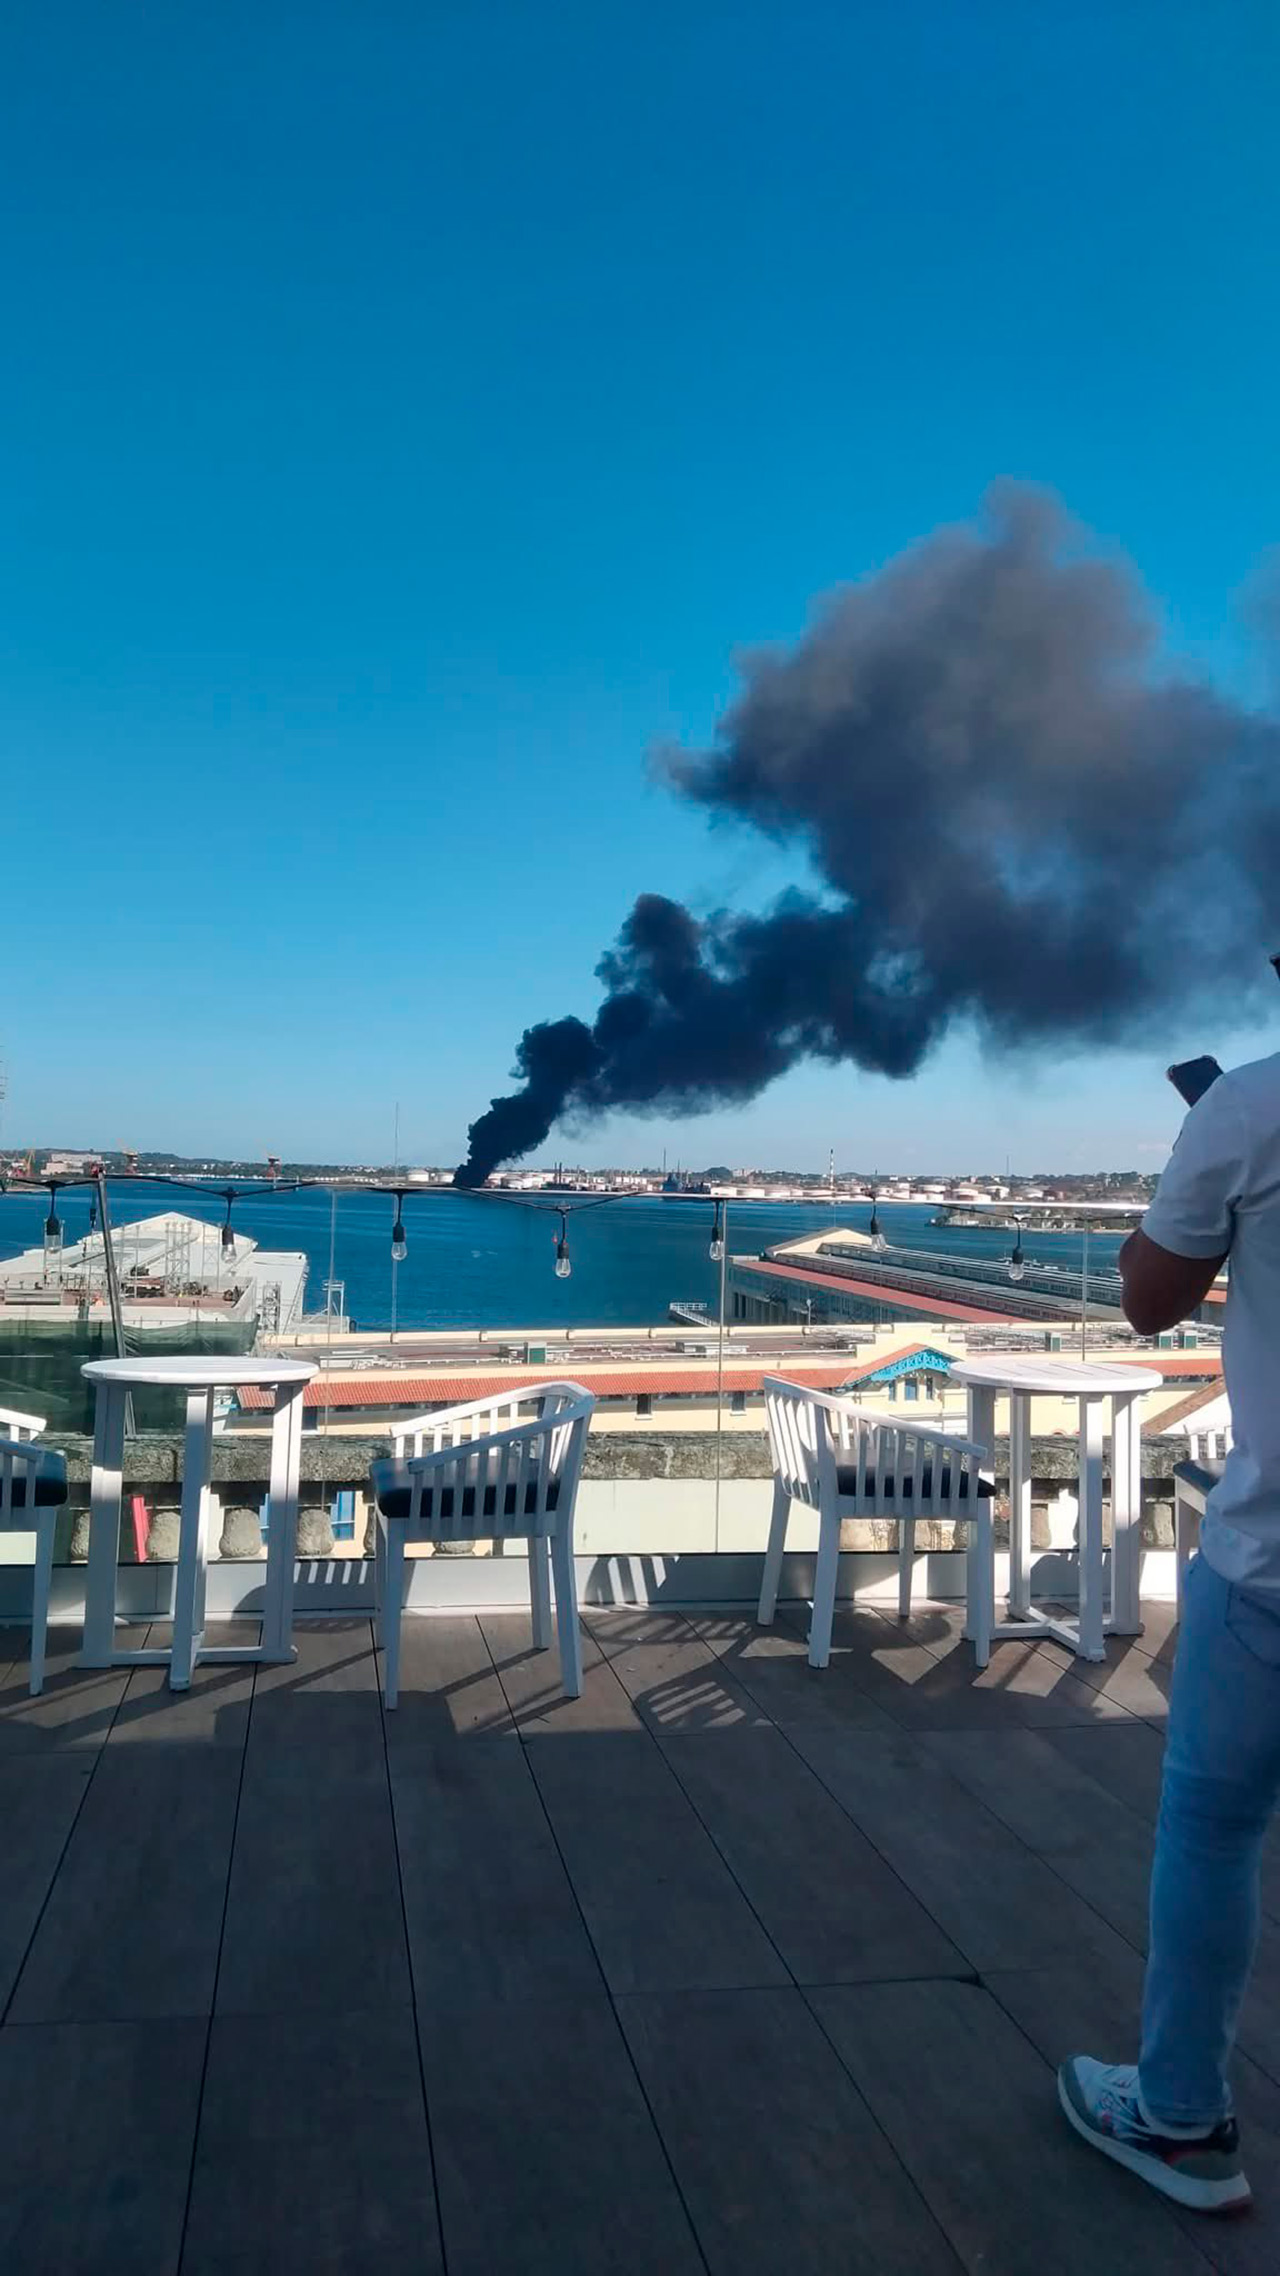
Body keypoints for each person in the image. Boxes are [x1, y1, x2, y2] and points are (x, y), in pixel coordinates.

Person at [1057, 1053, 1280, 2214]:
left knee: (1208, 1830)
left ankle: (1179, 2116)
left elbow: (1150, 1296)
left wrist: (1198, 1170)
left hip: (1268, 1566)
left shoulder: (1250, 1103)